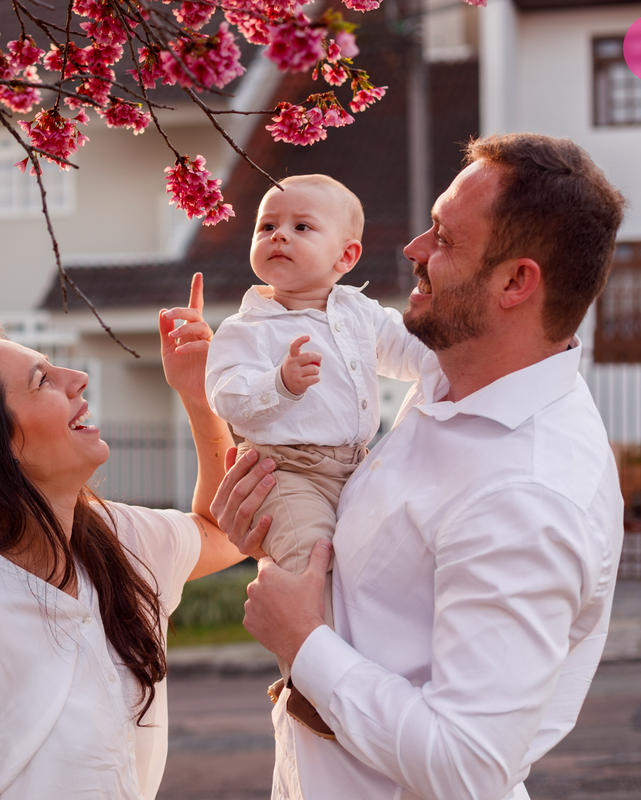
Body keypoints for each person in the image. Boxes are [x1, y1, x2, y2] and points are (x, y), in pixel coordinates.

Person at [212, 133, 627, 800]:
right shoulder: (450, 381)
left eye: (443, 238)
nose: (413, 251)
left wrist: (305, 642)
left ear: (516, 282)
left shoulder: (528, 494)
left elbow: (468, 766)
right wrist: (268, 530)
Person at [0, 274, 244, 800]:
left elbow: (226, 530)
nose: (78, 377)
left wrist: (201, 399)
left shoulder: (114, 542)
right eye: (42, 380)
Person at [202, 174, 429, 735]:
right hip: (287, 471)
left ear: (345, 256)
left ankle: (358, 670)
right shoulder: (246, 326)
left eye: (301, 227)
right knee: (307, 561)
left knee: (361, 568)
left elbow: (410, 353)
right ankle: (308, 682)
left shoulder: (359, 313)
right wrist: (279, 384)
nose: (279, 236)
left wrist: (452, 356)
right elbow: (226, 395)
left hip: (356, 465)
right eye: (267, 226)